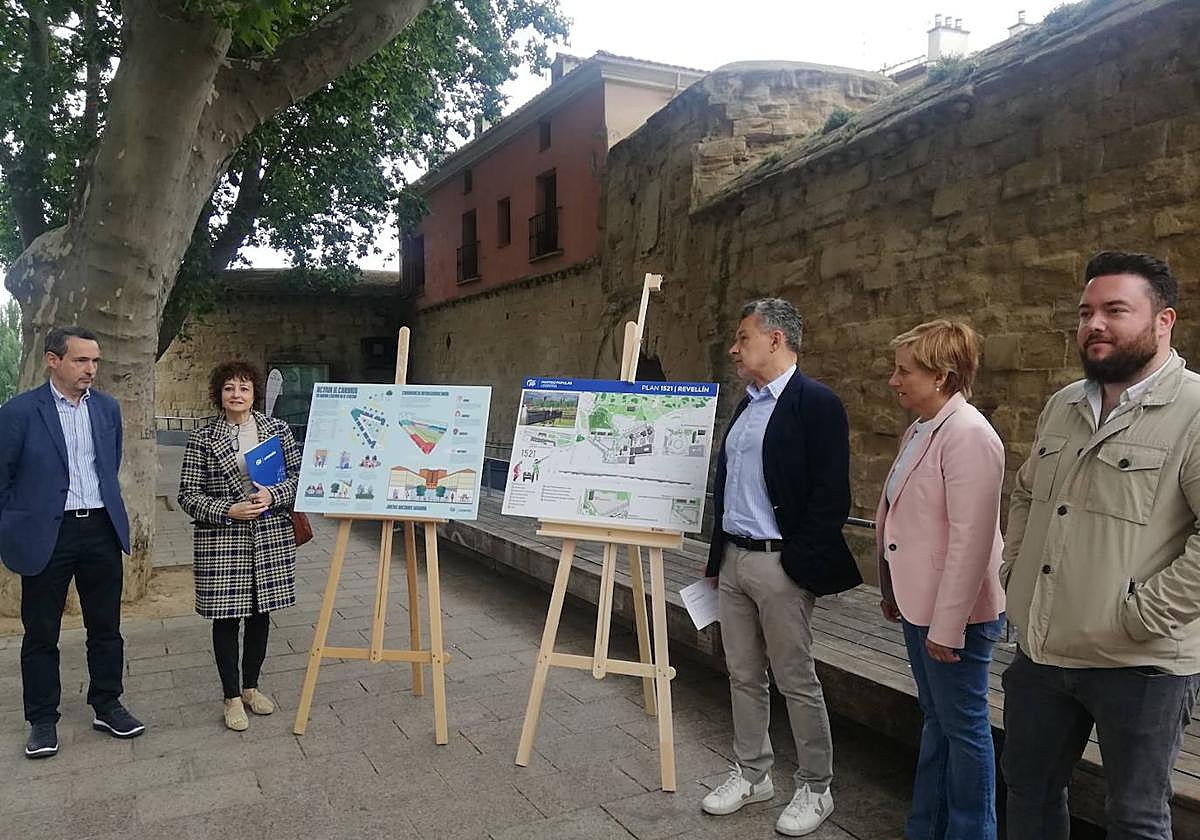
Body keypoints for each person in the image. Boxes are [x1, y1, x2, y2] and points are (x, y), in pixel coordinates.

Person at [1001, 251, 1200, 840]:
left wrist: (1143, 614)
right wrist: (1016, 572)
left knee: (1135, 819)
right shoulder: (1064, 405)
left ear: (1163, 321)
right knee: (1028, 795)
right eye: (1086, 311)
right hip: (1042, 653)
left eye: (1116, 310)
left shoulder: (1193, 410)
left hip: (1139, 665)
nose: (1095, 324)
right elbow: (1024, 494)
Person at [701, 298, 862, 836]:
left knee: (796, 678)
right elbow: (728, 490)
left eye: (743, 337)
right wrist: (715, 560)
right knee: (743, 673)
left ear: (775, 340)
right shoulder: (746, 406)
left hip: (778, 564)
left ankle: (817, 786)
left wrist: (795, 563)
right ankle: (753, 773)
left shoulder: (815, 403)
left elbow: (830, 495)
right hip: (734, 559)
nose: (734, 347)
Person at [874, 320, 1006, 840]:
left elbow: (971, 541)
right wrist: (891, 588)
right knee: (938, 720)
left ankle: (972, 831)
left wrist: (947, 627)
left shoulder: (969, 434)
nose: (894, 380)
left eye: (904, 371)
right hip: (918, 606)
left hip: (954, 618)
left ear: (942, 376)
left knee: (965, 728)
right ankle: (926, 825)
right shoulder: (921, 428)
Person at [0, 326, 145, 758]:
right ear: (53, 360)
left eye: (95, 361)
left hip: (100, 528)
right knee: (41, 632)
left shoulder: (107, 409)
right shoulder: (19, 412)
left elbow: (109, 463)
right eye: (82, 360)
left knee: (106, 627)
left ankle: (106, 703)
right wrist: (15, 525)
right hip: (49, 531)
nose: (91, 369)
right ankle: (42, 720)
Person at [178, 360, 301, 731]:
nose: (237, 395)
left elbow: (297, 478)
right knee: (227, 618)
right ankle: (231, 697)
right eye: (230, 388)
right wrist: (227, 509)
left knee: (261, 614)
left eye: (244, 388)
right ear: (219, 394)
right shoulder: (203, 438)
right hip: (223, 538)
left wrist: (272, 495)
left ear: (254, 394)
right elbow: (187, 494)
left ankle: (251, 687)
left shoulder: (276, 431)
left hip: (268, 535)